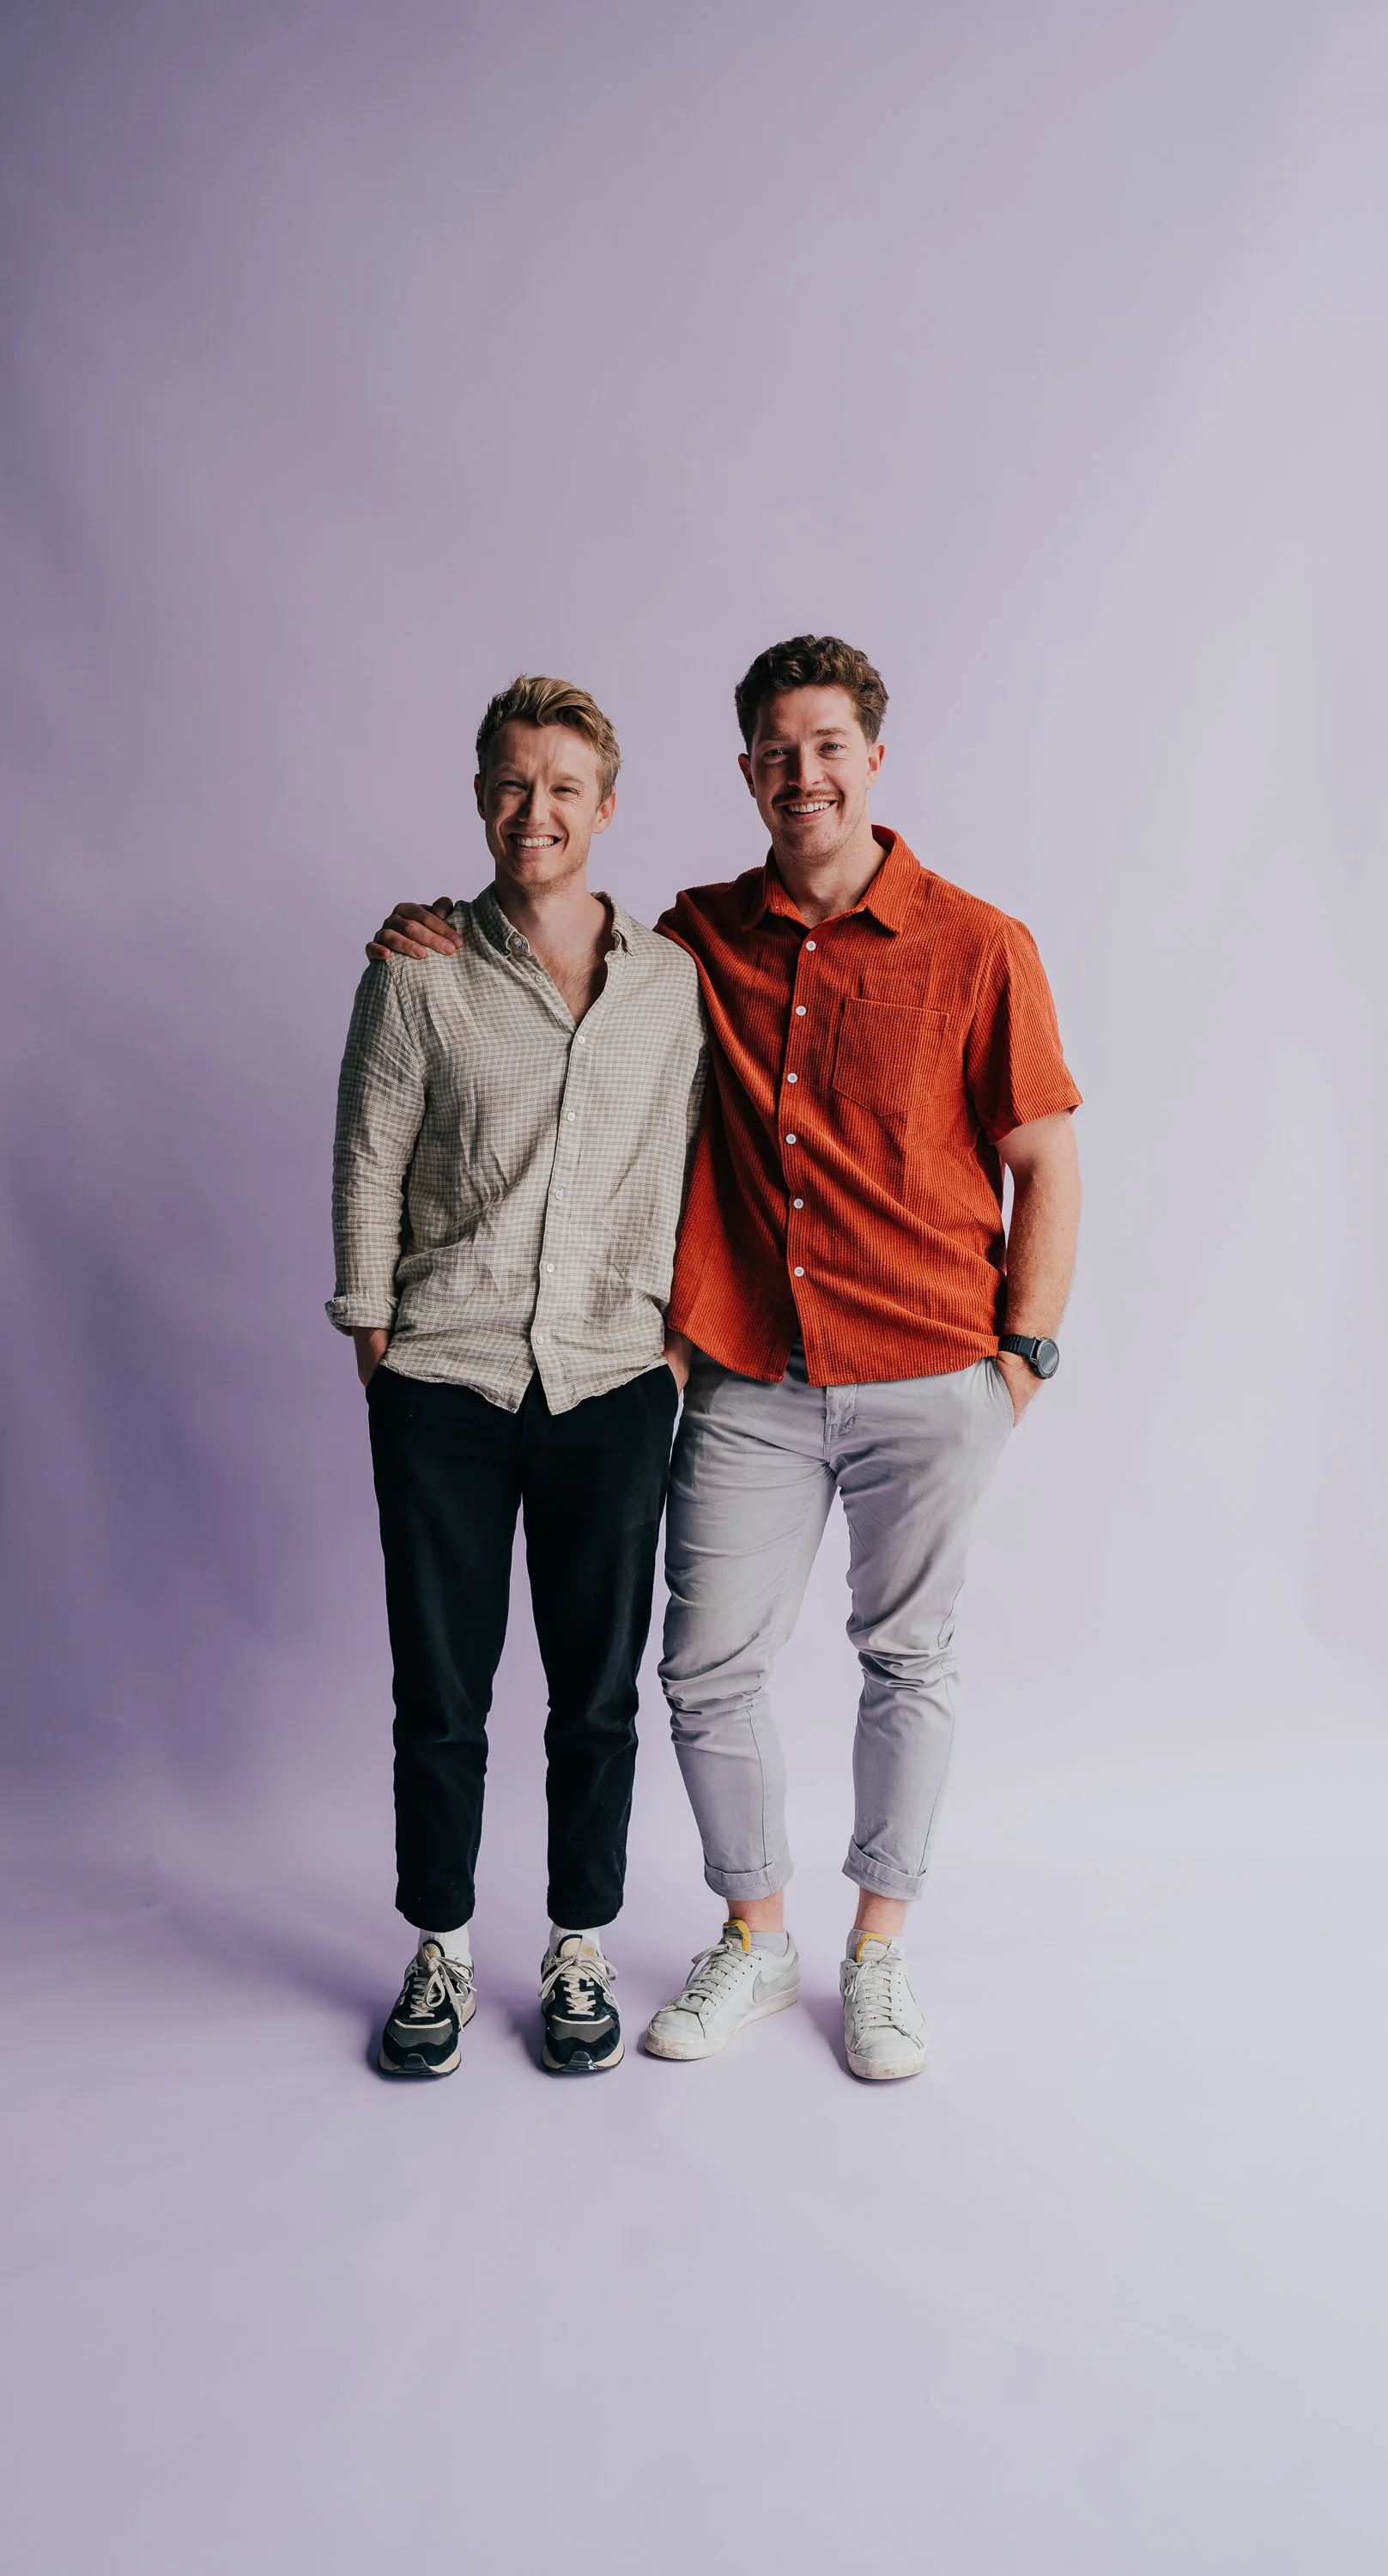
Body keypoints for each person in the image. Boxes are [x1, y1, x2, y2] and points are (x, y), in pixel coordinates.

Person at [372, 634, 1082, 2083]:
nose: (801, 774)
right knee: (701, 1665)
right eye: (774, 751)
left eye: (827, 747)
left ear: (874, 759)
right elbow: (552, 931)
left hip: (933, 1371)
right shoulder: (693, 944)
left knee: (911, 1658)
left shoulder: (979, 943)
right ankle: (758, 1934)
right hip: (751, 1376)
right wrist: (427, 925)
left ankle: (877, 1953)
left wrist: (1019, 1364)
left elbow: (1046, 1158)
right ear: (746, 771)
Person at [332, 675, 707, 2078]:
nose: (531, 811)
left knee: (596, 1691)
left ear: (605, 810)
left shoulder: (670, 982)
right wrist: (377, 1334)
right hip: (447, 1380)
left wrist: (674, 1342)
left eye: (561, 788)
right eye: (508, 783)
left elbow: (700, 1155)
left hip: (615, 1381)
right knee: (440, 1687)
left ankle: (579, 1944)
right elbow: (370, 1154)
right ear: (480, 796)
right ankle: (436, 1945)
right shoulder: (419, 970)